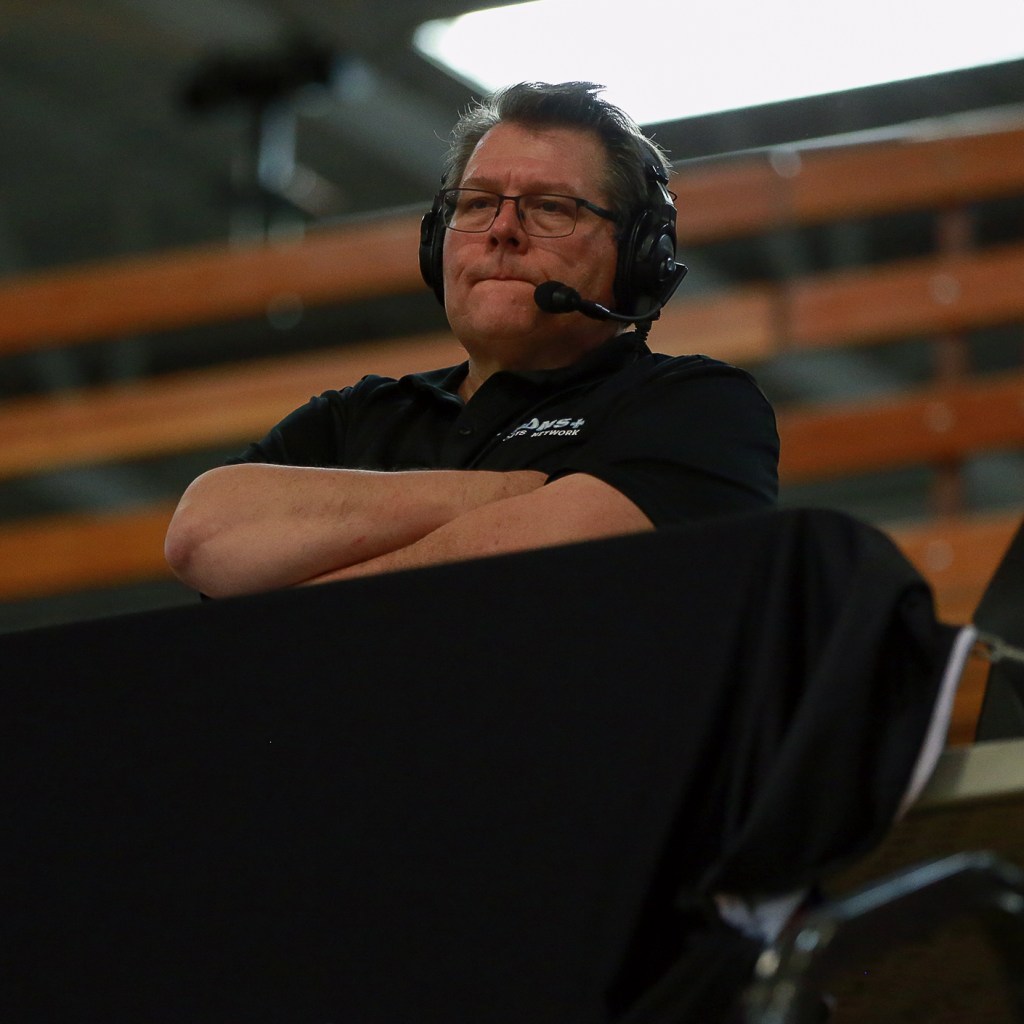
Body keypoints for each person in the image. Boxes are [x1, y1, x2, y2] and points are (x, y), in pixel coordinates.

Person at [164, 81, 779, 598]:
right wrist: (527, 489)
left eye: (550, 207)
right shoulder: (355, 418)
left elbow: (564, 564)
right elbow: (204, 534)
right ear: (437, 241)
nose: (502, 229)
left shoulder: (698, 405)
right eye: (478, 203)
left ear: (640, 255)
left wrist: (298, 603)